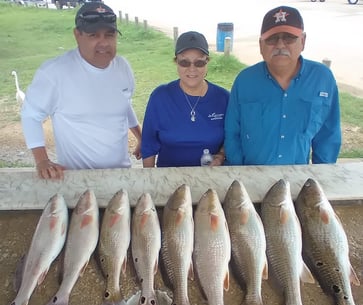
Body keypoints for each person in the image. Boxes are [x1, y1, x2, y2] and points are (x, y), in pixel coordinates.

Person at [21, 1, 142, 180]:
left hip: (120, 176)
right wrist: (42, 161)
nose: (104, 43)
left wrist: (141, 137)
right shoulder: (54, 73)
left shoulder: (123, 68)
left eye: (110, 35)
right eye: (94, 35)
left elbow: (124, 103)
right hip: (76, 180)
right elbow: (30, 115)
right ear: (77, 35)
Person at [224, 6, 341, 165]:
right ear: (260, 45)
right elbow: (232, 134)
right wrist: (239, 176)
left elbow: (328, 136)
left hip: (298, 180)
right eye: (272, 39)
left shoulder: (322, 79)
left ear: (303, 41)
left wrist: (320, 177)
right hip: (250, 180)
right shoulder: (244, 81)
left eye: (288, 37)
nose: (280, 45)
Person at [141, 31, 229, 167]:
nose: (192, 69)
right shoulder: (160, 97)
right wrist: (151, 182)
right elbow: (148, 145)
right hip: (169, 178)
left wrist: (221, 155)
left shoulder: (224, 98)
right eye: (184, 62)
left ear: (207, 62)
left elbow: (232, 136)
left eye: (199, 62)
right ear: (176, 62)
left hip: (211, 176)